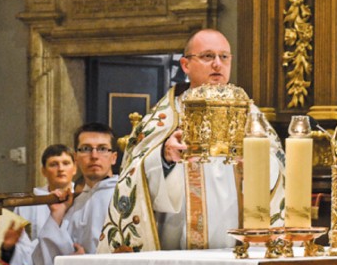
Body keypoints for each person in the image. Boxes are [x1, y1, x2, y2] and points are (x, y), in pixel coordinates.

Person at [97, 29, 285, 253]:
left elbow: (279, 171)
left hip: (240, 245)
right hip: (177, 245)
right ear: (186, 65)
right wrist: (164, 158)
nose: (217, 64)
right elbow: (133, 175)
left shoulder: (251, 115)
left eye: (224, 57)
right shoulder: (163, 119)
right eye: (207, 56)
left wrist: (257, 166)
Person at [33, 123, 118, 265]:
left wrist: (83, 263)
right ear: (76, 158)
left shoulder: (124, 196)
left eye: (102, 149)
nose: (94, 156)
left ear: (113, 157)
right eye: (86, 149)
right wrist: (56, 215)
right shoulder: (74, 202)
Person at [1, 144, 77, 265]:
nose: (60, 169)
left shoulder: (83, 199)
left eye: (65, 163)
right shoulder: (30, 204)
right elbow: (23, 250)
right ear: (43, 170)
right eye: (54, 164)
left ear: (75, 168)